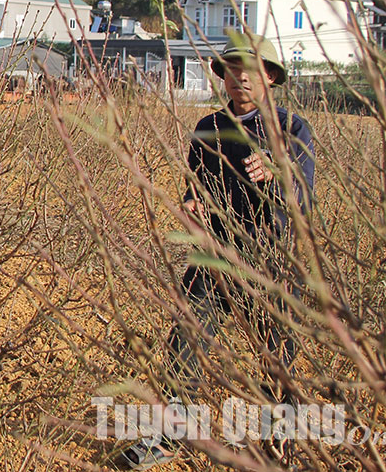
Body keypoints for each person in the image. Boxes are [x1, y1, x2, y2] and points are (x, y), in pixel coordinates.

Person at [119, 32, 315, 470]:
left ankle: (278, 442)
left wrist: (275, 171)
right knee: (185, 338)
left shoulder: (290, 128)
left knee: (277, 353)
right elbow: (195, 187)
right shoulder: (208, 128)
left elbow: (305, 195)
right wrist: (191, 206)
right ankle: (167, 437)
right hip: (213, 254)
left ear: (270, 78)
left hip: (271, 257)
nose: (241, 77)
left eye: (251, 69)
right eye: (233, 68)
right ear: (224, 77)